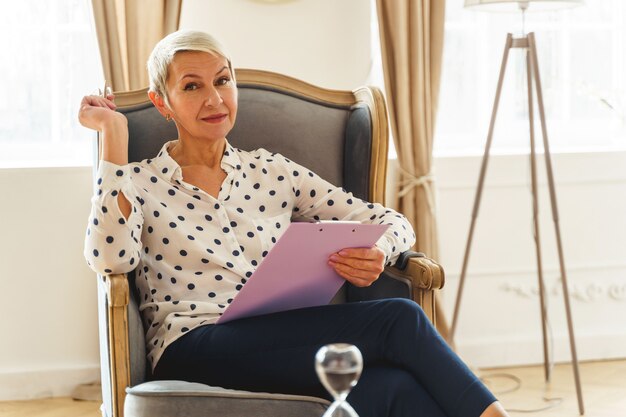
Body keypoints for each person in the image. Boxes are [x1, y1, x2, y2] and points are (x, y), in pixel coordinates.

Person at [80, 29, 509, 417]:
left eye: (223, 81)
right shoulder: (137, 182)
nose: (214, 99)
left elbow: (388, 219)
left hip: (277, 341)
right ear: (162, 102)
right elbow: (110, 258)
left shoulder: (274, 172)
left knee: (391, 388)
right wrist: (113, 137)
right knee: (400, 319)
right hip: (193, 345)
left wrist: (381, 249)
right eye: (192, 86)